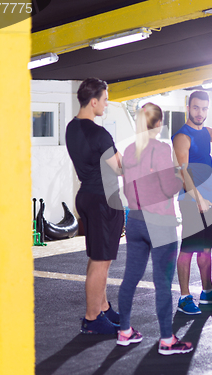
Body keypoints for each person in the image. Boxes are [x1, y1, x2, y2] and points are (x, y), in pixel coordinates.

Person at [117, 103, 193, 355]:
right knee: (162, 284)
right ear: (159, 124)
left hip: (135, 221)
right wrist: (179, 175)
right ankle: (167, 340)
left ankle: (125, 331)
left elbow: (127, 190)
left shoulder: (128, 150)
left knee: (130, 279)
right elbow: (169, 187)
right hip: (160, 223)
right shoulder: (161, 148)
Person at [66, 77, 124, 334]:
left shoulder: (71, 128)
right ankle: (92, 319)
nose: (106, 104)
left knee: (98, 257)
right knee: (102, 261)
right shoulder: (99, 133)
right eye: (105, 100)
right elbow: (120, 167)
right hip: (103, 199)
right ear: (93, 101)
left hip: (86, 196)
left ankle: (102, 307)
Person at [172, 91, 212, 314]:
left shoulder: (206, 133)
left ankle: (208, 292)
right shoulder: (183, 136)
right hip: (191, 200)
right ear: (188, 107)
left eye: (204, 108)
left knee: (206, 249)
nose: (200, 113)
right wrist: (198, 198)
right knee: (188, 249)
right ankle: (184, 297)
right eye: (196, 108)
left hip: (208, 200)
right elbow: (182, 172)